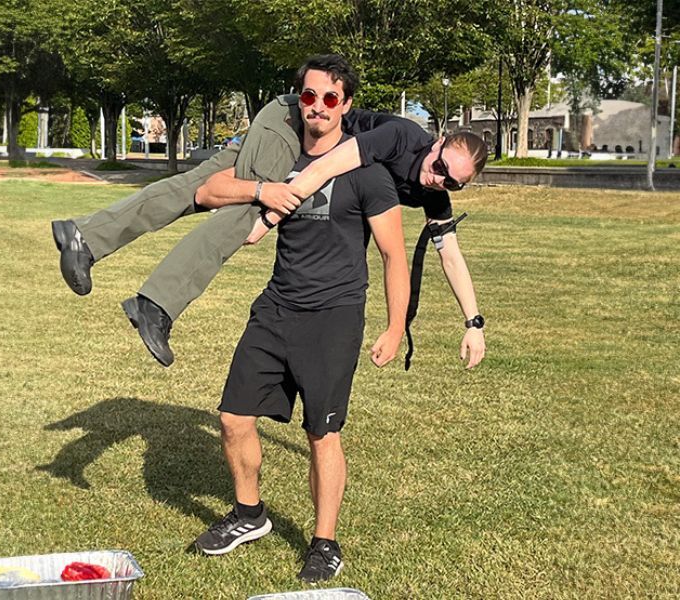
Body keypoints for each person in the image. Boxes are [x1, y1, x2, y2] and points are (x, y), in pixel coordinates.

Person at [52, 73, 487, 370]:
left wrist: (473, 323)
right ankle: (156, 304)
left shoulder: (434, 189)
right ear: (439, 140)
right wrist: (270, 215)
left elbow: (450, 255)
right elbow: (324, 167)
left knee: (195, 186)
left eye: (454, 183)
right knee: (244, 205)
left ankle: (84, 235)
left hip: (304, 139)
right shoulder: (402, 137)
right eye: (442, 165)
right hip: (295, 121)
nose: (440, 179)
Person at [192, 55, 408, 583]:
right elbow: (213, 196)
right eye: (308, 96)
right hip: (277, 306)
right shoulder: (278, 158)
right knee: (233, 418)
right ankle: (249, 514)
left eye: (330, 99)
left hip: (333, 316)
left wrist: (396, 325)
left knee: (322, 433)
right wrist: (254, 199)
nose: (317, 107)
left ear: (346, 106)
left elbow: (393, 256)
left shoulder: (368, 174)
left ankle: (324, 541)